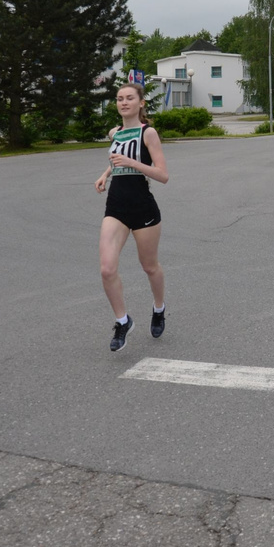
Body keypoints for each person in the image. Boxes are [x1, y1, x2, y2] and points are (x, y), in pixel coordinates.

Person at [95, 83, 168, 351]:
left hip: (143, 208)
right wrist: (106, 173)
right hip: (116, 207)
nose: (124, 102)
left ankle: (159, 308)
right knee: (107, 269)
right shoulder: (114, 133)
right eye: (119, 99)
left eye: (129, 98)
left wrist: (133, 164)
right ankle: (122, 321)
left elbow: (163, 175)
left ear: (141, 103)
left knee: (149, 266)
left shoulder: (148, 133)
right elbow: (119, 158)